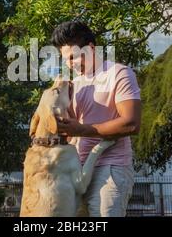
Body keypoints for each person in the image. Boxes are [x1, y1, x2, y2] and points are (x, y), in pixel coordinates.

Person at [51, 20, 142, 217]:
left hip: (111, 168)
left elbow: (132, 123)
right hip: (76, 171)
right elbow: (70, 131)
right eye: (66, 59)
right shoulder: (75, 84)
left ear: (91, 48)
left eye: (74, 57)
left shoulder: (119, 73)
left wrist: (82, 129)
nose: (70, 64)